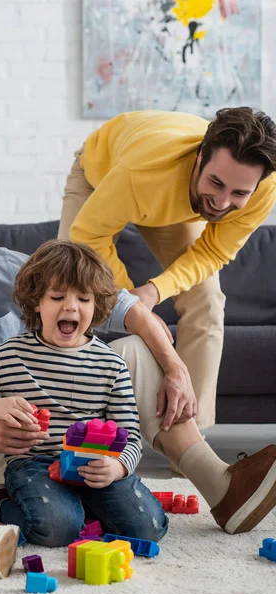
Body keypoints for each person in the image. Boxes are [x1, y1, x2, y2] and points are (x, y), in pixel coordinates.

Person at [0, 177, 273, 578]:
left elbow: (113, 301)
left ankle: (219, 484)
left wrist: (175, 365)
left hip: (47, 444)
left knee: (136, 349)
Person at [58, 107, 276, 432]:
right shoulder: (142, 172)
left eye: (238, 193)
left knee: (207, 301)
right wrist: (132, 307)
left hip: (168, 203)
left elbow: (213, 251)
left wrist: (155, 290)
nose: (221, 201)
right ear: (201, 157)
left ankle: (191, 443)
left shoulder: (263, 188)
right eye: (215, 182)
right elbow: (89, 234)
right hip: (100, 175)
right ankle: (62, 430)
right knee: (68, 292)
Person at [0, 240, 169, 546]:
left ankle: (81, 508)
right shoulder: (9, 354)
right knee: (57, 529)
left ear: (96, 306)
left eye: (84, 299)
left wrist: (117, 468)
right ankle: (5, 501)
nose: (71, 306)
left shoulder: (111, 364)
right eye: (58, 296)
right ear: (37, 302)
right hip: (34, 465)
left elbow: (129, 435)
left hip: (95, 463)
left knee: (150, 528)